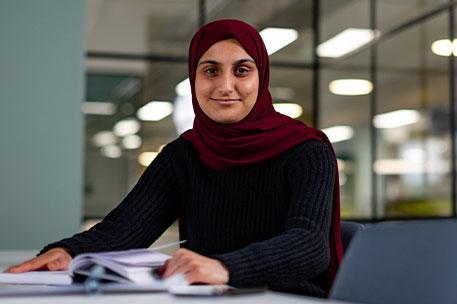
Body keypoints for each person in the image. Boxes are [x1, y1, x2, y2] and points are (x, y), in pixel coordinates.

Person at [6, 19, 343, 297]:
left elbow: (309, 246)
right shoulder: (185, 154)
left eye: (242, 70)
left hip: (287, 297)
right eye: (211, 71)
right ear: (193, 80)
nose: (226, 86)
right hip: (205, 294)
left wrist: (224, 267)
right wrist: (67, 252)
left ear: (261, 77)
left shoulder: (306, 149)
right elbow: (126, 229)